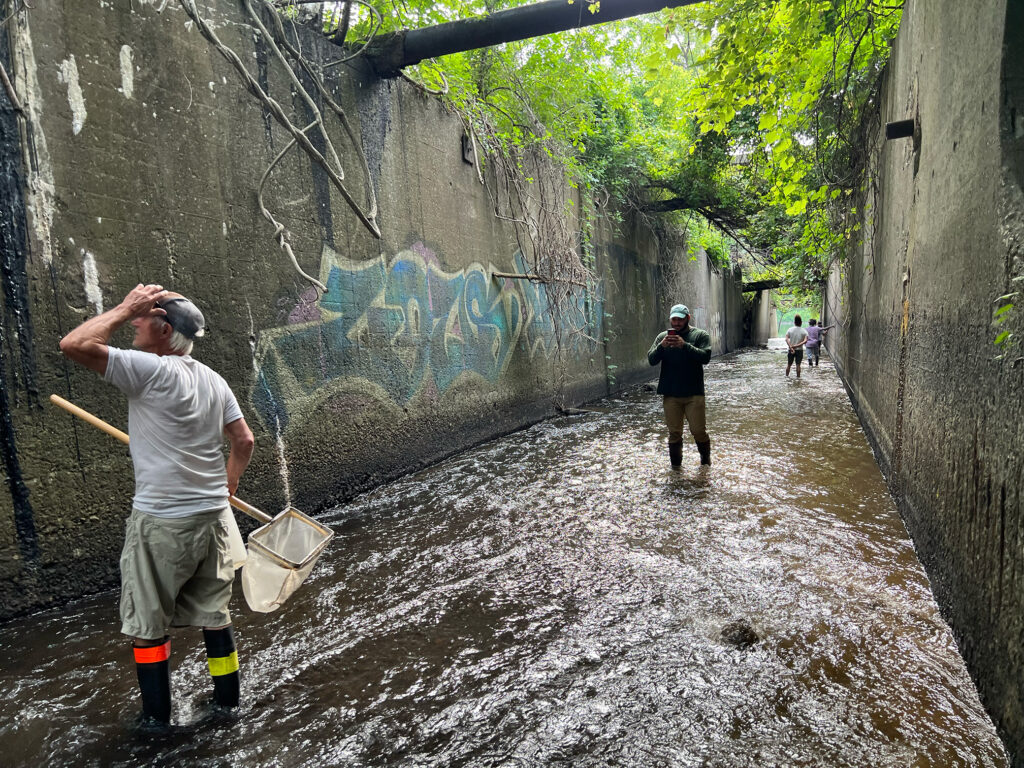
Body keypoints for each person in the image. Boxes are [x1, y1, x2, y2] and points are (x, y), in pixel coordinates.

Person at [59, 283, 255, 726]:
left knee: (148, 628)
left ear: (163, 330)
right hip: (214, 520)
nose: (134, 321)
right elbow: (243, 440)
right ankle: (227, 707)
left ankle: (156, 726)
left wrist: (122, 305)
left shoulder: (147, 370)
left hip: (163, 522)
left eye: (143, 316)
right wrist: (228, 486)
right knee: (214, 618)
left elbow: (74, 343)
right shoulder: (213, 379)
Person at [647, 303, 713, 467]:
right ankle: (676, 470)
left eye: (680, 319)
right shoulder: (662, 337)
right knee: (674, 433)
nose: (676, 323)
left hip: (694, 393)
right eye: (673, 319)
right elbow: (651, 359)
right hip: (670, 394)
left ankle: (705, 461)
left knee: (698, 431)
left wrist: (685, 346)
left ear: (687, 318)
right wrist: (662, 347)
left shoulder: (700, 335)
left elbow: (705, 357)